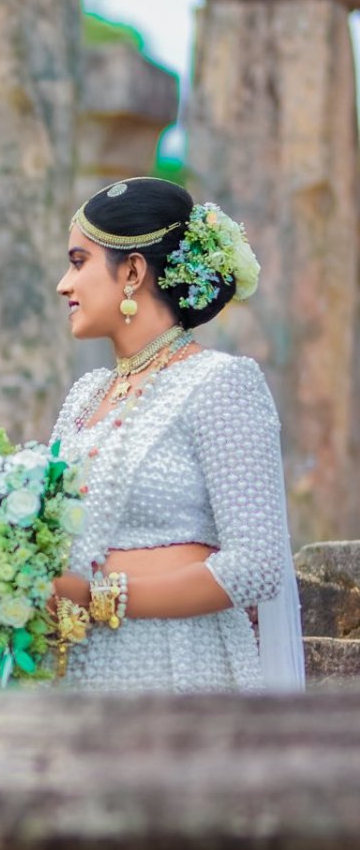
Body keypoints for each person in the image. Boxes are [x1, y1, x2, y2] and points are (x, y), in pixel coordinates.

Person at [51, 176, 303, 691]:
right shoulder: (85, 395)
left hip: (178, 665)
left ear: (134, 271)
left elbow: (256, 565)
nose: (64, 284)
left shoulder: (220, 384)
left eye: (79, 262)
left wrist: (104, 598)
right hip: (79, 666)